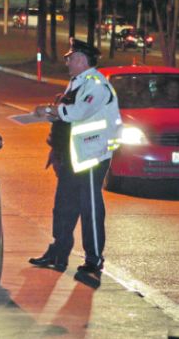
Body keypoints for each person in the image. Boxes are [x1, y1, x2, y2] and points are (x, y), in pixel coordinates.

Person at [29, 37, 122, 288]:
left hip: (92, 155)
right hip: (74, 154)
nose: (67, 62)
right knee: (63, 205)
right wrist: (54, 136)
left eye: (70, 58)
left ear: (81, 59)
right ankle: (58, 252)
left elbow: (78, 113)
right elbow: (67, 119)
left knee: (90, 208)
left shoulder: (96, 85)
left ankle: (93, 262)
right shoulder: (78, 82)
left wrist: (51, 110)